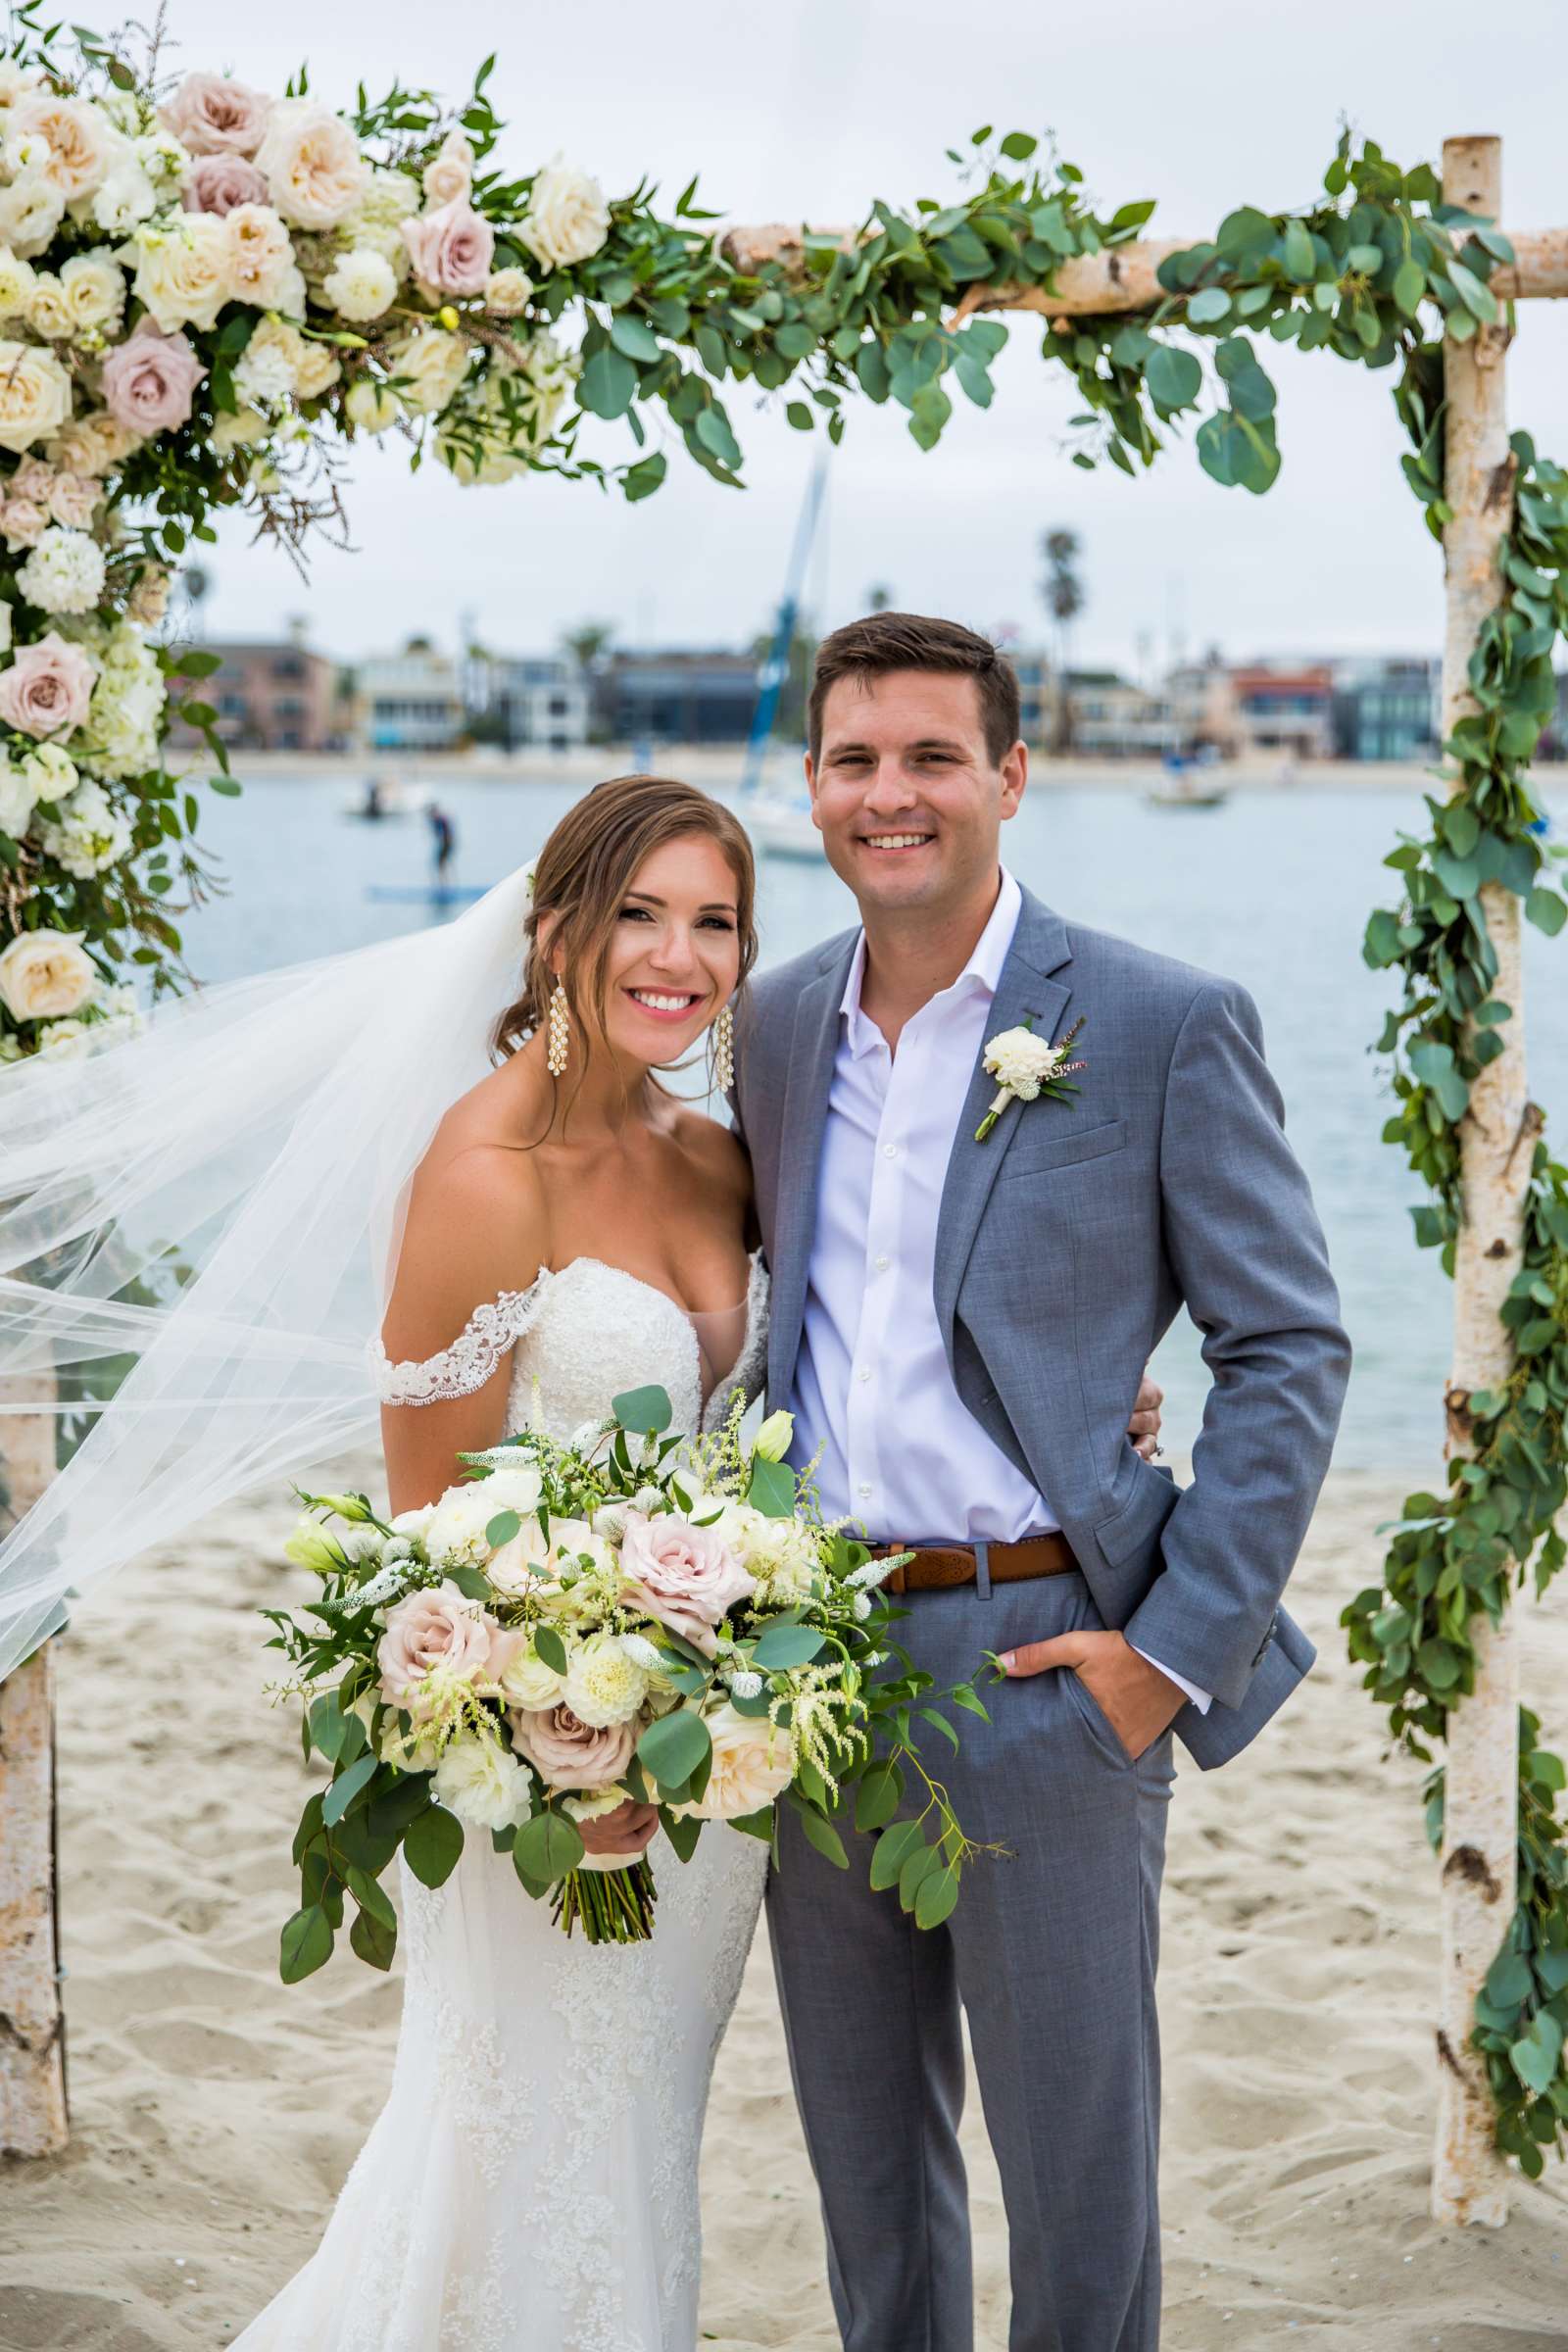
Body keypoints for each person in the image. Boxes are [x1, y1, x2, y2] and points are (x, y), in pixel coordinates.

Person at [0, 768, 1163, 2348]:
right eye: (637, 914)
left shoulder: (718, 1151)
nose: (675, 957)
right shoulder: (482, 1178)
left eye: (715, 924)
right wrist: (563, 1739)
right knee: (517, 2133)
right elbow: (428, 1542)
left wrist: (1080, 1390)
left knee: (638, 2140)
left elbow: (850, 1351)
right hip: (544, 1760)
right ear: (553, 931)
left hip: (709, 1754)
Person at [732, 612, 1350, 2352]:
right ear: (814, 789)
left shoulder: (1159, 1021)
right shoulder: (774, 1029)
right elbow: (776, 1325)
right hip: (811, 1666)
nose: (890, 795)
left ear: (1010, 777)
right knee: (871, 2187)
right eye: (855, 760)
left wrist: (1168, 1655)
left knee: (1077, 2186)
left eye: (933, 757)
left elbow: (1290, 1343)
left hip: (1045, 1669)